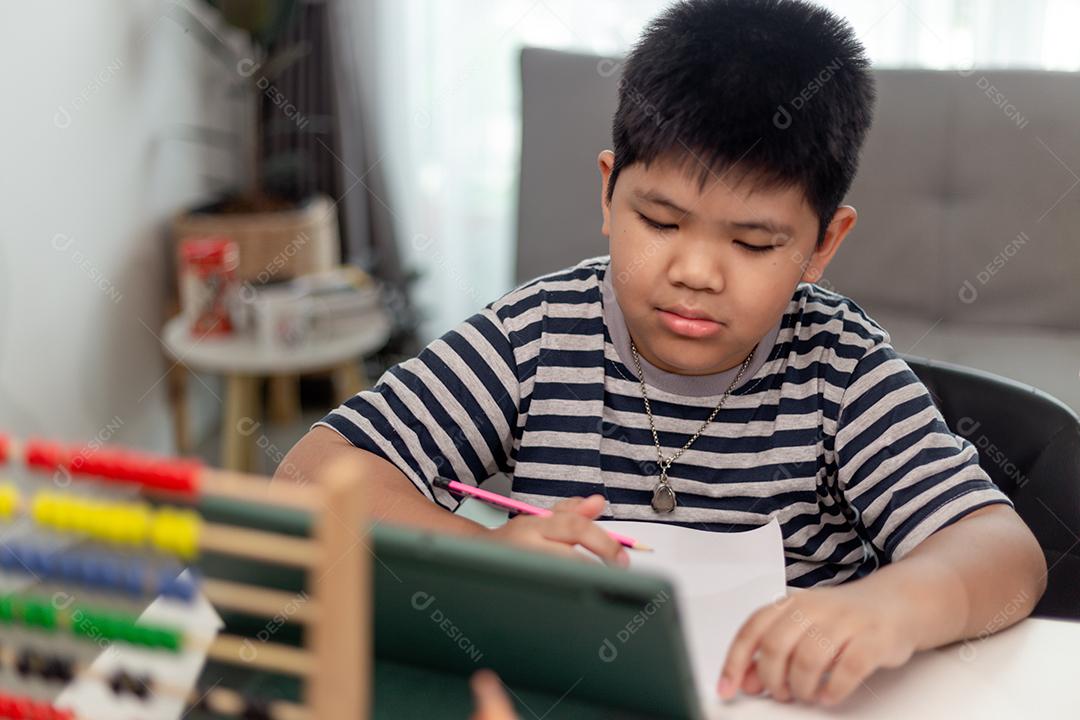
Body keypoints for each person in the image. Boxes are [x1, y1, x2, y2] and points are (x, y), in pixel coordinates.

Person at [277, 0, 1046, 707]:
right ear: (609, 194)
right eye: (662, 221)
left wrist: (891, 607)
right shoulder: (540, 333)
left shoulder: (840, 371)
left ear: (822, 244)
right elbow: (314, 472)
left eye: (752, 241)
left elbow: (1007, 556)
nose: (695, 272)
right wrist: (489, 565)